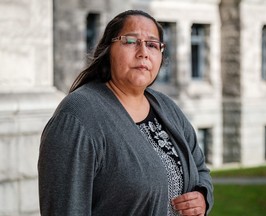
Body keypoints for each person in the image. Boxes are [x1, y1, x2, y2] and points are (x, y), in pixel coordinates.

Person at [38, 9, 213, 216]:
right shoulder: (78, 117)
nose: (143, 52)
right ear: (107, 50)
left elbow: (200, 167)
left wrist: (202, 195)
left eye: (152, 44)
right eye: (130, 41)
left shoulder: (167, 107)